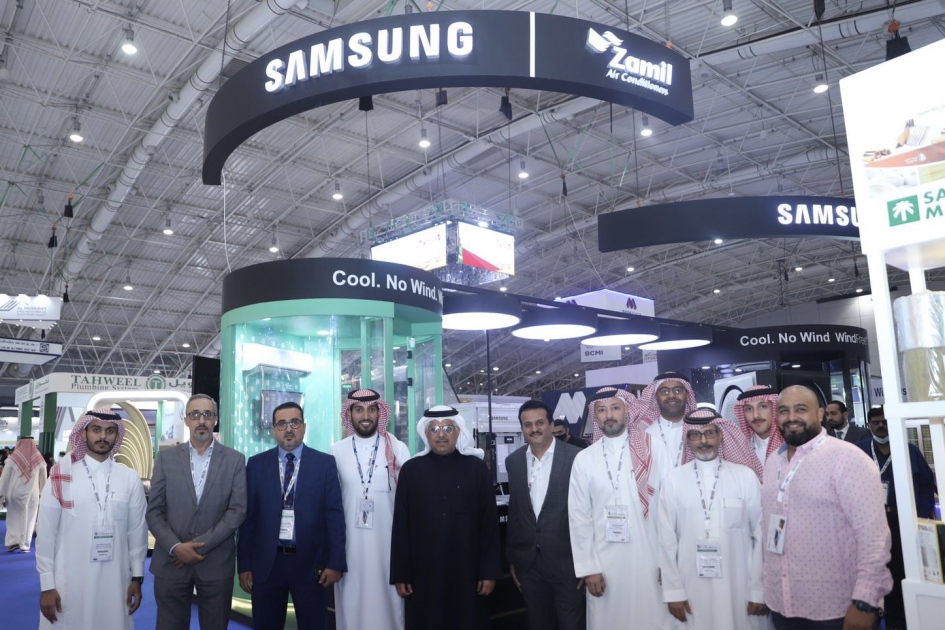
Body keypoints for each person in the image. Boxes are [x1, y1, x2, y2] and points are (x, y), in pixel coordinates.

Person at [762, 386, 891, 630]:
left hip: (836, 610)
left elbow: (874, 538)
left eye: (801, 409)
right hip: (782, 605)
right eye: (784, 411)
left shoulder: (848, 458)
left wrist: (865, 603)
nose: (791, 417)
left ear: (820, 414)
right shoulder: (772, 462)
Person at [568, 387, 673, 629]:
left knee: (653, 618)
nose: (609, 415)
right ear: (595, 416)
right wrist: (589, 568)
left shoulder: (654, 448)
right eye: (602, 410)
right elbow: (579, 517)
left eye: (615, 408)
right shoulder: (584, 459)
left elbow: (669, 507)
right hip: (605, 563)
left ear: (627, 410)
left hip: (650, 556)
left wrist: (668, 562)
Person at [35, 409, 148, 629]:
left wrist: (137, 578)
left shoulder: (129, 477)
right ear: (84, 433)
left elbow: (137, 531)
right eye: (96, 430)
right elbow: (46, 532)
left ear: (117, 436)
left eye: (110, 431)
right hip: (70, 577)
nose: (103, 436)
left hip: (116, 578)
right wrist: (47, 584)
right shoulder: (61, 475)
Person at [237, 401, 346, 630]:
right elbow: (248, 519)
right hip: (267, 565)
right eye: (282, 423)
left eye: (294, 422)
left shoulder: (324, 464)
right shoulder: (256, 464)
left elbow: (334, 516)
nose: (288, 429)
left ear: (304, 427)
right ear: (274, 429)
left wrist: (335, 562)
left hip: (311, 565)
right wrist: (245, 565)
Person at [390, 406, 500, 630]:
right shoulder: (411, 470)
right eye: (435, 429)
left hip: (468, 570)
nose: (441, 434)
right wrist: (401, 574)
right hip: (423, 572)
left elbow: (489, 525)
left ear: (458, 431)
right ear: (426, 433)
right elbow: (401, 526)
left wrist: (489, 571)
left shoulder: (477, 469)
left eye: (448, 428)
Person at [658, 408, 767, 630]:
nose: (703, 441)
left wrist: (758, 590)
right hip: (690, 583)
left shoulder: (745, 477)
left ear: (720, 435)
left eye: (709, 433)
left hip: (738, 584)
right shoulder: (673, 480)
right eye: (695, 435)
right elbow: (666, 539)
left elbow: (761, 534)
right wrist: (673, 591)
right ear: (688, 439)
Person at [146, 393, 248, 630]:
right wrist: (176, 547)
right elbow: (154, 511)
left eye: (207, 415)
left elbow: (237, 511)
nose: (201, 420)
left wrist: (197, 547)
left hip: (215, 563)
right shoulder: (166, 458)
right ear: (186, 420)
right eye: (195, 415)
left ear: (215, 419)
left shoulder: (234, 460)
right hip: (171, 562)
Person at [330, 389, 410, 630]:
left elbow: (408, 503)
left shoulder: (397, 449)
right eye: (359, 410)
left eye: (371, 409)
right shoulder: (337, 451)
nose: (365, 416)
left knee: (390, 605)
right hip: (350, 548)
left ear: (379, 413)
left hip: (389, 547)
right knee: (351, 604)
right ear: (350, 414)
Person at [855, 406, 936, 630]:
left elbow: (926, 485)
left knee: (901, 571)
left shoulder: (908, 450)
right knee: (872, 571)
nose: (881, 426)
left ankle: (901, 620)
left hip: (902, 523)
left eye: (885, 422)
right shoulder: (859, 450)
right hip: (869, 524)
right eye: (876, 422)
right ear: (869, 425)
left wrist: (919, 518)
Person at [506, 400, 585, 630]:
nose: (534, 429)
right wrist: (512, 559)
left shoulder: (577, 457)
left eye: (539, 422)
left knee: (571, 625)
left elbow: (589, 511)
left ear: (551, 425)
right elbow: (515, 511)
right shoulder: (514, 461)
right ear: (522, 429)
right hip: (529, 566)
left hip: (569, 563)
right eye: (527, 424)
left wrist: (588, 562)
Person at [639, 372, 698, 467]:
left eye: (678, 390)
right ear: (656, 396)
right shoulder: (644, 434)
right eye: (664, 391)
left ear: (687, 394)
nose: (671, 395)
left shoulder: (698, 431)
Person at [0, 436, 47, 552]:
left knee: (13, 518)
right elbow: (44, 480)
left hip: (14, 495)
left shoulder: (12, 459)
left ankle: (14, 541)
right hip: (32, 496)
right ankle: (25, 545)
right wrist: (44, 495)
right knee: (30, 519)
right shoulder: (39, 460)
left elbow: (4, 478)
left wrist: (1, 493)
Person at [734, 386, 784, 468]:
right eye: (749, 409)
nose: (756, 415)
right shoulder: (738, 452)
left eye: (763, 406)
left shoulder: (791, 446)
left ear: (775, 408)